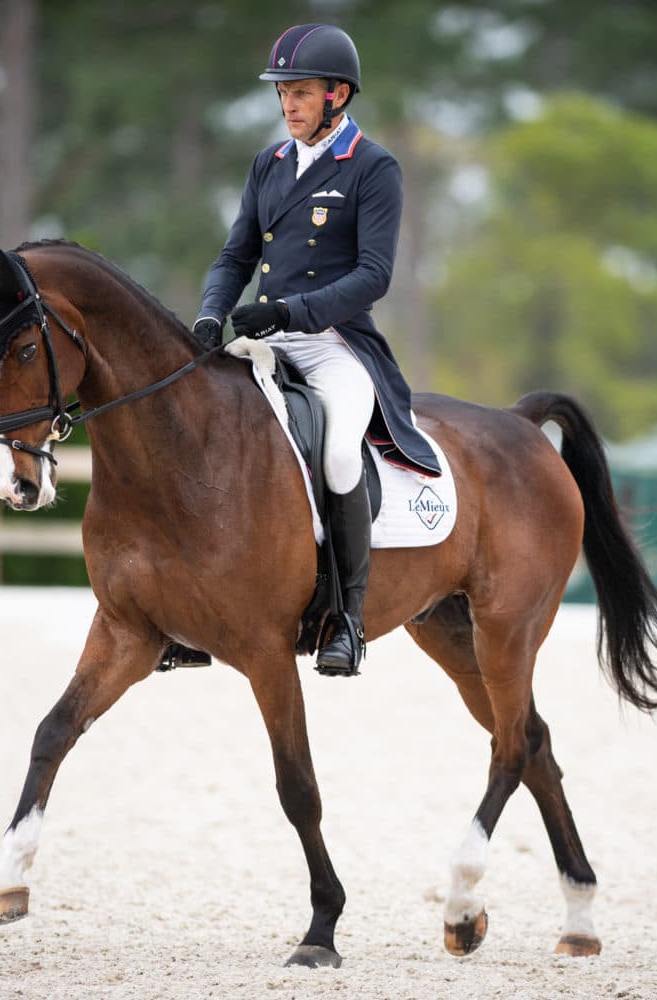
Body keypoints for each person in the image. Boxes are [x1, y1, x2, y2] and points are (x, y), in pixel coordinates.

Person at [195, 23, 441, 677]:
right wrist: (210, 314)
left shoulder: (372, 167)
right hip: (264, 340)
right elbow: (235, 254)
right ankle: (194, 610)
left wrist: (288, 311)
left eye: (300, 93)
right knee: (204, 427)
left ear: (337, 95)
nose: (288, 107)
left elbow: (374, 275)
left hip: (333, 343)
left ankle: (347, 620)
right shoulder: (268, 166)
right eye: (283, 94)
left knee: (336, 452)